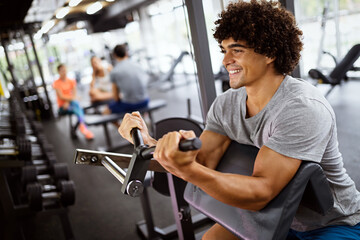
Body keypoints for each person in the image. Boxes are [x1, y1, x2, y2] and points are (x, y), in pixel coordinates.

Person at [118, 1, 360, 239]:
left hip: (332, 221)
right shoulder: (226, 104)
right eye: (224, 51)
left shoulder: (301, 108)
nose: (225, 61)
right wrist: (150, 147)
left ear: (270, 53)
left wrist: (189, 170)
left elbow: (261, 193)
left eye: (237, 50)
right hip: (273, 216)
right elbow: (201, 161)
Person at [103, 44, 149, 116]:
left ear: (114, 55)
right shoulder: (138, 65)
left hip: (130, 105)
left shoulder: (114, 71)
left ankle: (122, 127)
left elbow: (116, 97)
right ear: (126, 53)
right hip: (145, 101)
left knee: (106, 110)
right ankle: (142, 120)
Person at [53, 64, 94, 140]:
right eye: (62, 71)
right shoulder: (56, 83)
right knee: (78, 107)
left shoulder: (71, 81)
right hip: (63, 107)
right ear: (59, 72)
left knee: (76, 107)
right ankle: (83, 128)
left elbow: (74, 94)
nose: (64, 72)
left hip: (72, 104)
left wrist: (69, 101)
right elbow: (61, 96)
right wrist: (70, 100)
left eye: (65, 70)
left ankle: (81, 127)